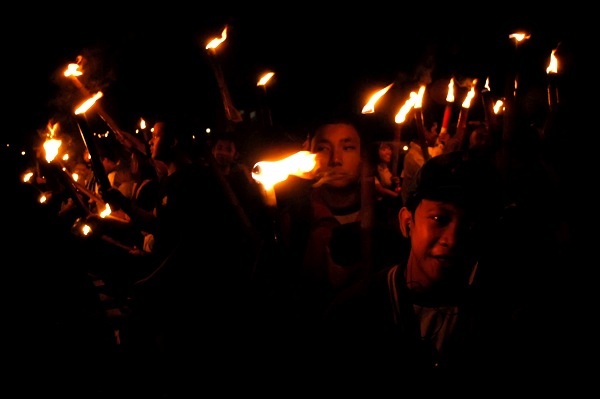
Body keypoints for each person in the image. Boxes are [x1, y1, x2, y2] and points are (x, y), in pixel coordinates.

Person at [321, 150, 509, 385]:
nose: (453, 239)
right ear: (407, 223)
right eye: (440, 219)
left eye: (472, 223)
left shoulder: (500, 317)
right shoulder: (355, 316)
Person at [373, 141, 402, 230]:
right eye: (384, 149)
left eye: (389, 148)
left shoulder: (385, 167)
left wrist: (395, 181)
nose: (388, 152)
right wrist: (397, 196)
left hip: (388, 208)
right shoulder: (372, 168)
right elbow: (379, 189)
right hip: (379, 210)